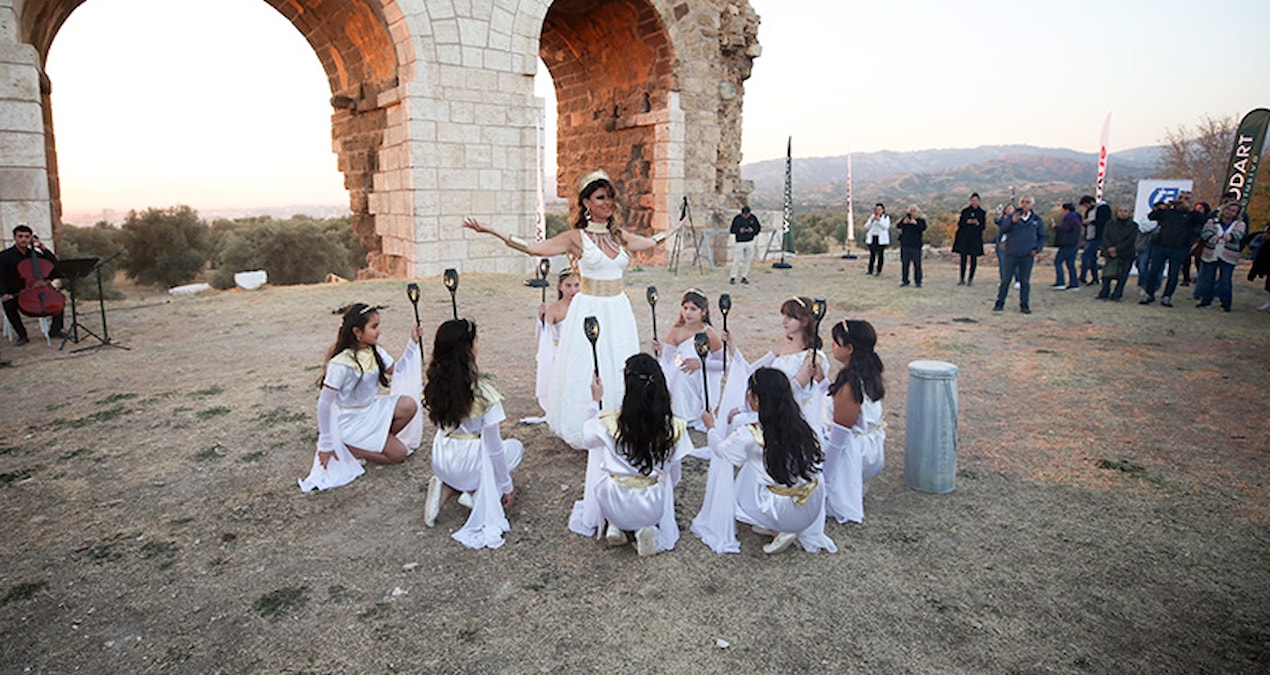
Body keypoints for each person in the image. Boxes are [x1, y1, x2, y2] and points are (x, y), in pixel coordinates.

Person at [462, 170, 682, 448]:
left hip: (618, 310)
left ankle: (622, 422)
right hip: (589, 309)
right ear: (587, 202)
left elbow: (650, 242)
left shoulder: (619, 236)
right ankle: (587, 424)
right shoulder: (576, 238)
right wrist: (492, 231)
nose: (608, 203)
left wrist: (675, 228)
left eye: (611, 198)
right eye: (601, 197)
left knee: (619, 363)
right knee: (588, 365)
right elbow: (534, 248)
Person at [692, 367, 836, 555]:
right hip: (812, 505)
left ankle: (779, 529)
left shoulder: (749, 435)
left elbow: (721, 451)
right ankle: (772, 523)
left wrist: (710, 426)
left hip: (783, 511)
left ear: (757, 400)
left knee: (748, 473)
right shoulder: (806, 425)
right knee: (762, 463)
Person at [570, 354, 694, 556]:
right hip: (651, 503)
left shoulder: (609, 423)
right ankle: (645, 528)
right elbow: (675, 475)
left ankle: (615, 525)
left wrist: (595, 401)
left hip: (613, 499)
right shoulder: (674, 428)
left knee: (604, 468)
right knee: (661, 483)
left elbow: (586, 438)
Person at [298, 303, 423, 492]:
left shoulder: (374, 351)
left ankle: (378, 440)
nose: (379, 331)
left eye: (378, 325)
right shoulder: (341, 363)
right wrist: (326, 442)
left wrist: (412, 343)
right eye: (374, 327)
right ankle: (350, 448)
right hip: (350, 420)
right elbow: (325, 403)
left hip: (370, 410)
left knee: (408, 405)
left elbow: (398, 370)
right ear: (357, 331)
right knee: (399, 454)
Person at [422, 318, 524, 549]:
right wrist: (507, 486)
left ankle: (449, 489)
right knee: (514, 448)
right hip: (470, 461)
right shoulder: (483, 394)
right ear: (468, 349)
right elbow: (495, 448)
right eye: (476, 341)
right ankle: (476, 493)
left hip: (442, 456)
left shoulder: (433, 385)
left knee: (480, 462)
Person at [719, 296, 829, 430]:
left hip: (793, 413)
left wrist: (760, 407)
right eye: (784, 316)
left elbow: (793, 389)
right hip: (772, 405)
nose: (784, 321)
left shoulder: (812, 357)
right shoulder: (780, 348)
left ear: (804, 321)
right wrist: (732, 346)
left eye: (790, 317)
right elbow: (752, 371)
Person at [822, 318, 886, 524]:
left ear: (849, 348)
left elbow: (838, 439)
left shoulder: (850, 387)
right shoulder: (867, 374)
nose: (831, 345)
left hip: (853, 453)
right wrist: (821, 382)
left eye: (835, 342)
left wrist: (824, 482)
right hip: (870, 449)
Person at [652, 289, 724, 431]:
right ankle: (678, 412)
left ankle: (696, 412)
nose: (688, 313)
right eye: (685, 308)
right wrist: (658, 352)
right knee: (680, 376)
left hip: (702, 377)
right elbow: (666, 362)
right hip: (680, 374)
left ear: (703, 312)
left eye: (693, 309)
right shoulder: (676, 331)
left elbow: (724, 364)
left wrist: (701, 364)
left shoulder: (709, 333)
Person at [0, 224, 66, 345]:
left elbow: (53, 264)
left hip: (37, 289)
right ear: (15, 237)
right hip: (16, 291)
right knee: (8, 304)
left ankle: (55, 331)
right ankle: (22, 335)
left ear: (31, 238)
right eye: (20, 236)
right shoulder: (4, 256)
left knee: (58, 298)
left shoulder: (35, 254)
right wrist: (3, 293)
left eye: (27, 236)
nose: (24, 239)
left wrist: (43, 248)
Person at [534, 271, 580, 416]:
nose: (573, 290)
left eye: (576, 285)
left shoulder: (583, 306)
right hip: (561, 352)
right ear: (560, 287)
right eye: (568, 286)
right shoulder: (555, 309)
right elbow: (544, 334)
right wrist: (541, 318)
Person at [1142, 192, 1196, 307]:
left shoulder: (1192, 215)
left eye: (1186, 199)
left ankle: (1167, 296)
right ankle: (1149, 294)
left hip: (1179, 248)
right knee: (1153, 271)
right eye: (1181, 198)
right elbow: (1152, 216)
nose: (1183, 201)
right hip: (1161, 246)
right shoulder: (1167, 212)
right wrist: (1166, 206)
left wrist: (1190, 208)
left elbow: (1201, 220)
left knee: (1173, 273)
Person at [994, 195, 1045, 314]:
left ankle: (1024, 305)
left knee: (1025, 281)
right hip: (1011, 253)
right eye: (1022, 202)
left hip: (1027, 254)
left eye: (1027, 202)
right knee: (1006, 280)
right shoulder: (1012, 217)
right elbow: (1002, 230)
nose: (1024, 204)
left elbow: (1042, 236)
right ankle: (1000, 302)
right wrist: (1011, 222)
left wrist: (1037, 249)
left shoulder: (1036, 220)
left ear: (1032, 205)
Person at [1194, 202, 1246, 312]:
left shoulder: (1239, 224)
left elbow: (1237, 236)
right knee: (1208, 279)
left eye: (1233, 211)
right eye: (1228, 209)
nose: (1229, 213)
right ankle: (1206, 301)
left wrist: (1219, 237)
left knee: (1225, 280)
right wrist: (1223, 238)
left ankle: (1225, 303)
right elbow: (1205, 234)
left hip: (1229, 254)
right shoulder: (1212, 221)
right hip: (1211, 253)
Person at [1096, 205, 1138, 301]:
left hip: (1126, 253)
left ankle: (1117, 294)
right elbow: (1105, 236)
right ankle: (1104, 292)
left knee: (1123, 276)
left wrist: (1117, 249)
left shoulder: (1133, 226)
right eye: (1120, 211)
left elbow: (1130, 240)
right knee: (1107, 275)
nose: (1122, 213)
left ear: (1130, 213)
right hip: (1110, 253)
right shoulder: (1110, 224)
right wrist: (1110, 248)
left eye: (1125, 211)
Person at [953, 193, 986, 286]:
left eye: (976, 200)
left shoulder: (982, 212)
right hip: (964, 237)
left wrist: (977, 223)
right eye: (972, 200)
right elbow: (960, 223)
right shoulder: (965, 211)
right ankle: (962, 278)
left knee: (973, 259)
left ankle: (970, 278)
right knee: (963, 259)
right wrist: (967, 221)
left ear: (979, 201)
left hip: (975, 239)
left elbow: (983, 226)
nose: (974, 202)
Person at [1078, 195, 1111, 286]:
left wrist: (1091, 222)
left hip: (1098, 237)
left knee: (1085, 256)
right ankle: (1095, 278)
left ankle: (1082, 277)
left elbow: (1104, 222)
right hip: (1090, 236)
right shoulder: (1089, 211)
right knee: (1092, 258)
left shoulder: (1103, 209)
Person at [1050, 202, 1081, 291]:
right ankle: (1074, 284)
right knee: (1070, 264)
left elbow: (1066, 229)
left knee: (1058, 262)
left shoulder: (1070, 218)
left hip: (1068, 244)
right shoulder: (1077, 217)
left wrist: (1056, 228)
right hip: (1075, 243)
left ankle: (1061, 282)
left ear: (1067, 210)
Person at [729, 206, 761, 285]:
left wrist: (752, 231)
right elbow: (732, 230)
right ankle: (733, 276)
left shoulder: (753, 218)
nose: (746, 216)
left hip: (750, 241)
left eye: (747, 214)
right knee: (737, 259)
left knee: (748, 259)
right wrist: (739, 230)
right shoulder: (737, 219)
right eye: (745, 214)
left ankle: (744, 276)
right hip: (740, 242)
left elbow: (758, 228)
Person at [896, 205, 926, 288]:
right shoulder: (905, 220)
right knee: (905, 264)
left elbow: (923, 228)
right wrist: (904, 223)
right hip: (905, 245)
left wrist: (915, 223)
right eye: (911, 211)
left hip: (916, 246)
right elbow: (898, 226)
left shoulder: (921, 221)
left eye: (914, 211)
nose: (912, 213)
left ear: (917, 212)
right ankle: (905, 281)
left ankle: (918, 281)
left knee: (917, 265)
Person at [864, 203, 890, 276]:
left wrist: (879, 221)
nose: (878, 211)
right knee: (872, 255)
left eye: (879, 209)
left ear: (883, 210)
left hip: (881, 239)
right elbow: (866, 226)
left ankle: (879, 270)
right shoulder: (872, 216)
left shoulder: (886, 217)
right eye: (876, 209)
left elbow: (886, 227)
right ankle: (870, 270)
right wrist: (872, 221)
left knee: (880, 255)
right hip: (873, 238)